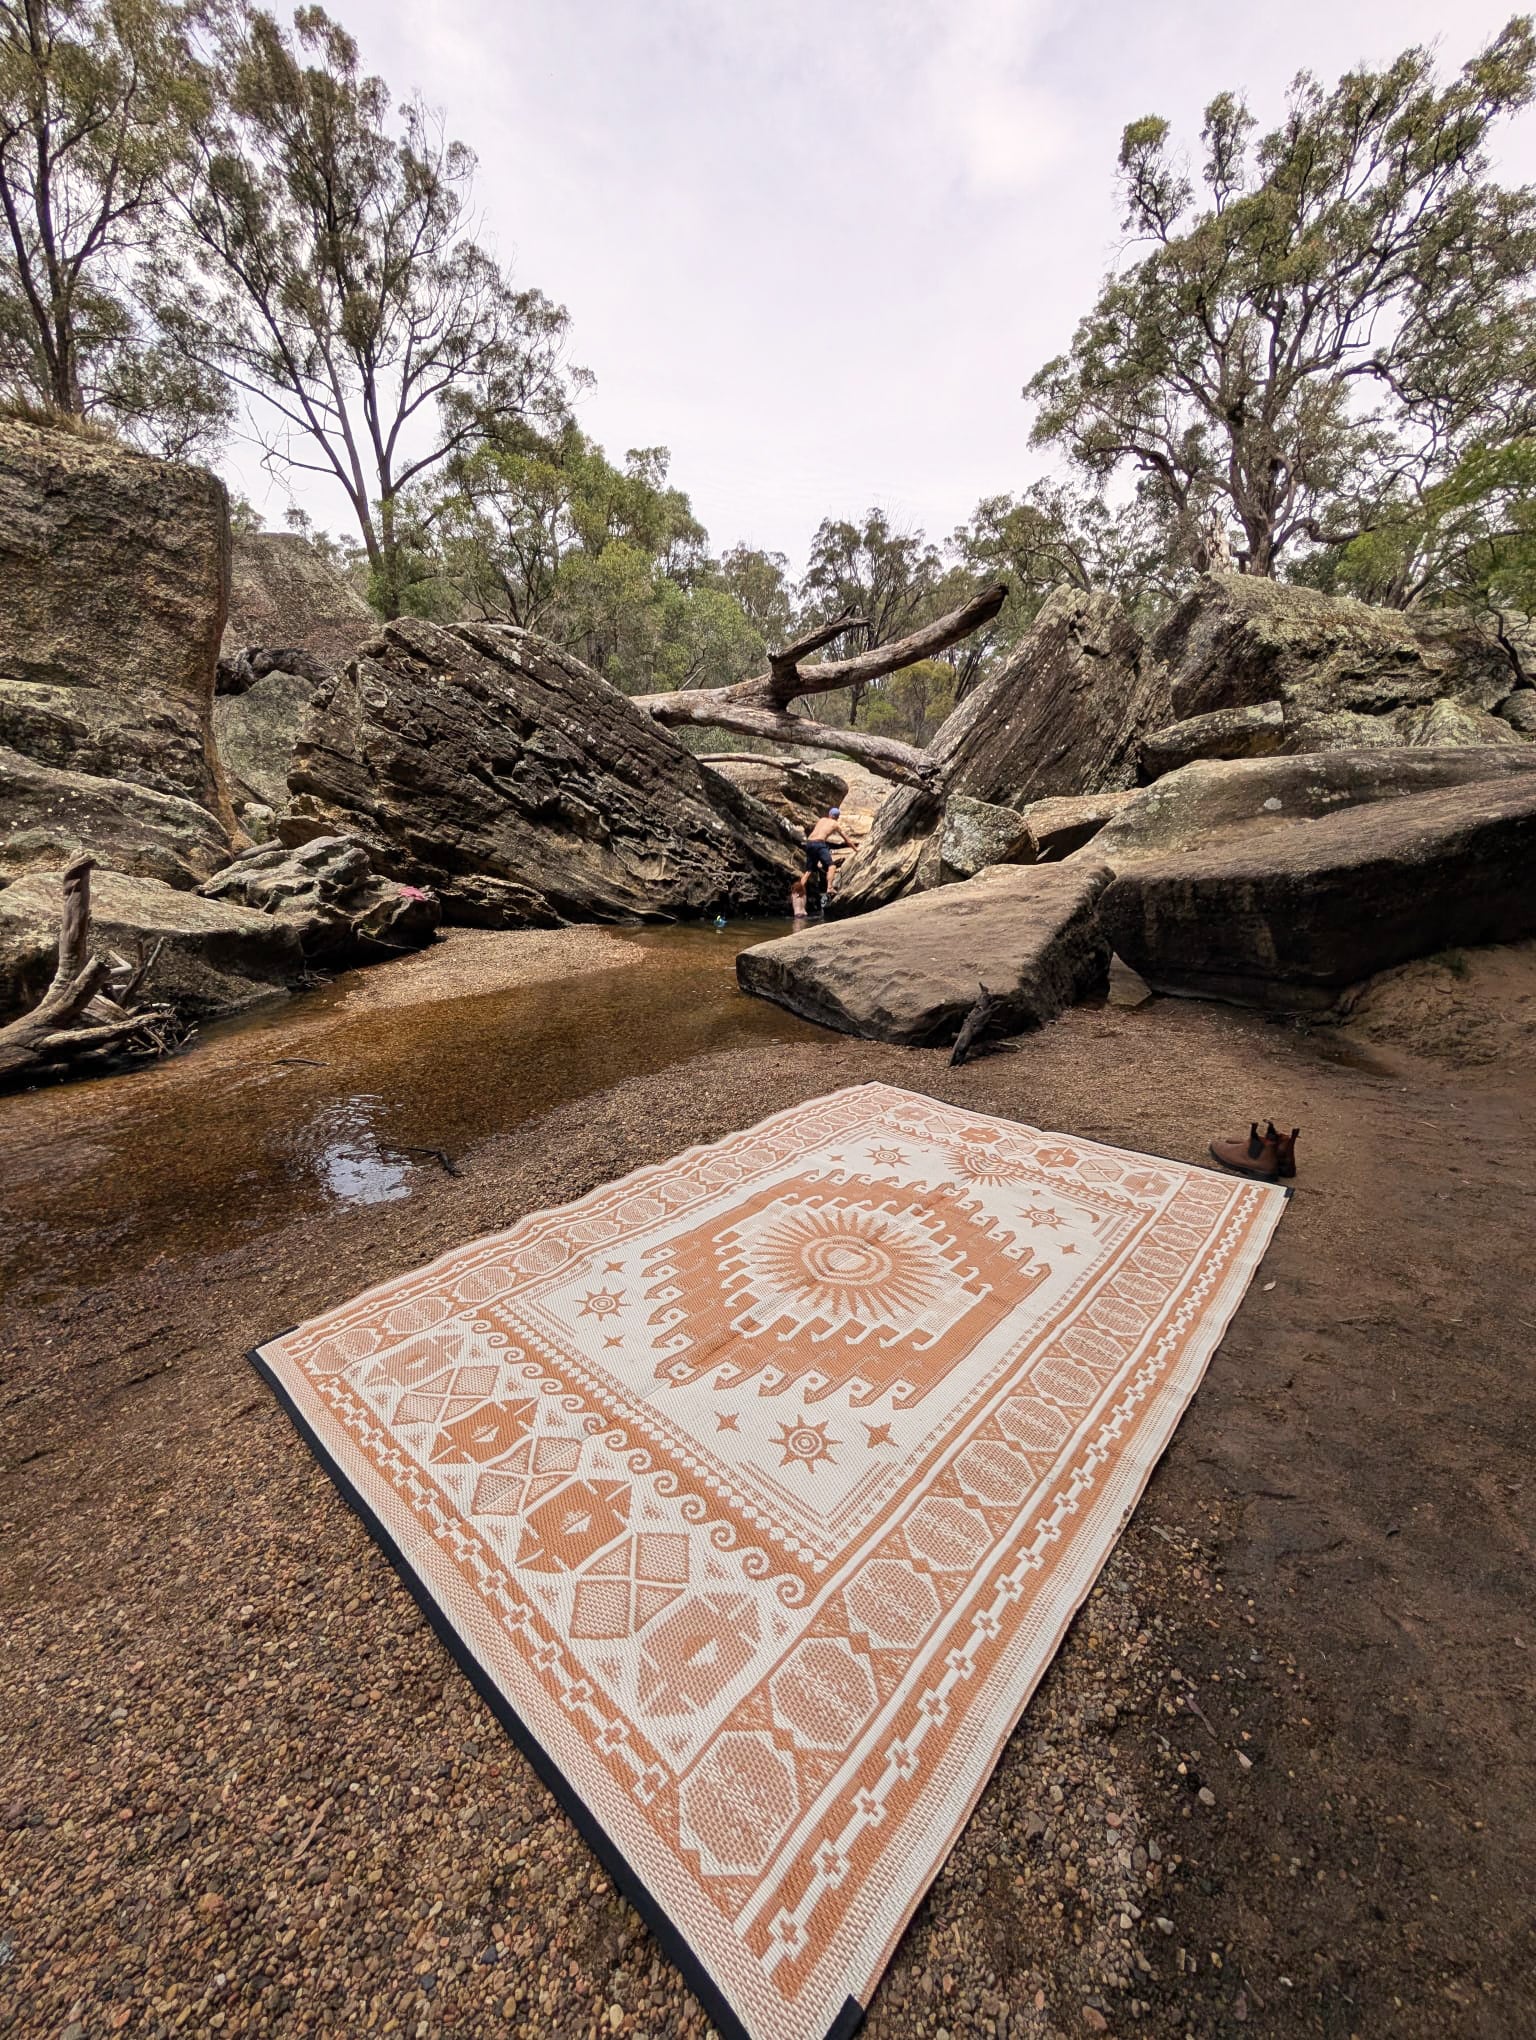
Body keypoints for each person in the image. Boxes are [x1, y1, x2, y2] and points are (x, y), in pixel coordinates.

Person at [791, 807, 851, 918]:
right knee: (832, 866)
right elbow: (846, 839)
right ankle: (829, 888)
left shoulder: (822, 820)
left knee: (808, 871)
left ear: (829, 814)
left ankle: (798, 892)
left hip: (809, 844)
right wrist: (856, 849)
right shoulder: (835, 824)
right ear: (837, 817)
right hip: (819, 844)